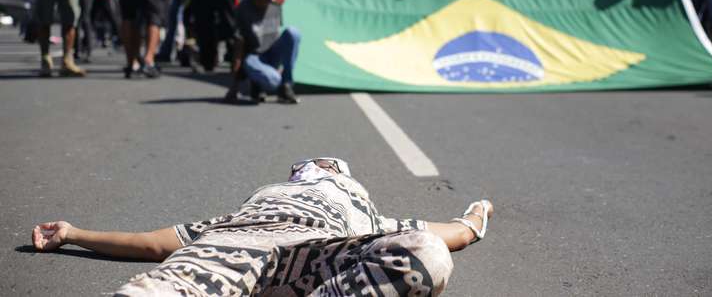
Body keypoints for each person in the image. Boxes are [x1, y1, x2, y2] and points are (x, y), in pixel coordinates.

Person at [31, 157, 494, 296]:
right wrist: (72, 233)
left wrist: (479, 213)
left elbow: (454, 233)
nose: (319, 164)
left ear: (348, 180)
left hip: (323, 258)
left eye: (329, 164)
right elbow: (154, 244)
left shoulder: (369, 218)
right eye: (310, 164)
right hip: (232, 249)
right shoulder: (246, 209)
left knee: (426, 255)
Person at [225, 0, 300, 104]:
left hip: (271, 53)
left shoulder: (276, 5)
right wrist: (234, 87)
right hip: (254, 57)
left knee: (293, 33)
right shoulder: (245, 8)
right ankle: (257, 84)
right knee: (273, 80)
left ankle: (286, 86)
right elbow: (238, 44)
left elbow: (275, 34)